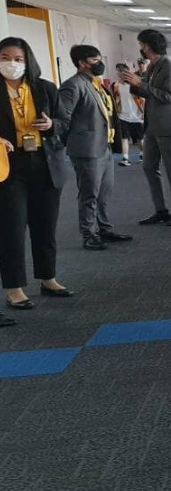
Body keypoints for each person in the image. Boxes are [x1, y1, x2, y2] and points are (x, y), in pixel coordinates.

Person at [0, 37, 73, 321]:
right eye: (6, 57)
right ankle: (15, 288)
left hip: (44, 163)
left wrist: (52, 125)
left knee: (45, 225)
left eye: (18, 59)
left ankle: (48, 278)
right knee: (12, 229)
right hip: (9, 165)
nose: (12, 64)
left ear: (28, 61)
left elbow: (66, 123)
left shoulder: (45, 88)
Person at [57, 45, 133, 251]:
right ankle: (88, 233)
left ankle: (104, 229)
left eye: (100, 59)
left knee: (104, 193)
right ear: (82, 63)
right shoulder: (73, 86)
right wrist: (69, 142)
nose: (99, 63)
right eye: (94, 60)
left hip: (105, 146)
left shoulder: (97, 84)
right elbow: (62, 118)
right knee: (89, 193)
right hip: (86, 149)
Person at [122, 28, 171, 227]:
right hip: (152, 125)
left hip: (168, 126)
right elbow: (148, 89)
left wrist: (140, 84)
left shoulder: (169, 67)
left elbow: (168, 96)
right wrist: (133, 83)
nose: (140, 49)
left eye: (141, 45)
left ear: (148, 46)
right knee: (149, 167)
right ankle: (160, 210)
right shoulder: (153, 66)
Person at [114, 62, 144, 166]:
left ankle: (143, 155)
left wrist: (143, 111)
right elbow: (115, 100)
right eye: (118, 71)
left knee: (140, 138)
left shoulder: (134, 85)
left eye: (121, 71)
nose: (119, 74)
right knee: (124, 138)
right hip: (123, 116)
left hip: (137, 116)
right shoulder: (115, 86)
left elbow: (142, 99)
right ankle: (125, 158)